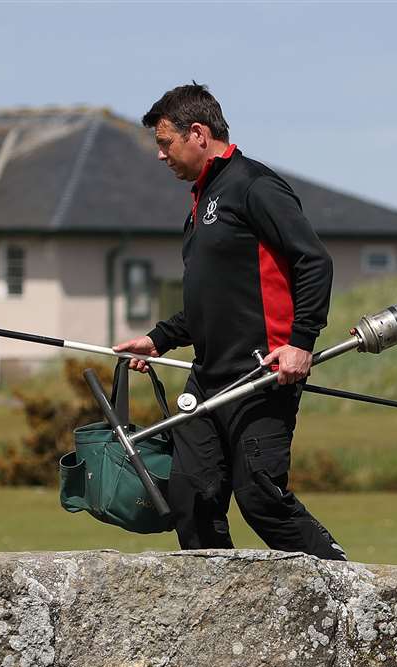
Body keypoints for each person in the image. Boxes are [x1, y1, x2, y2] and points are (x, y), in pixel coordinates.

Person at [114, 83, 346, 561]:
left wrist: (301, 343)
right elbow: (211, 301)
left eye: (165, 143)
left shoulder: (253, 185)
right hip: (207, 380)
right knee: (191, 498)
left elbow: (314, 262)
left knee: (260, 498)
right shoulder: (201, 201)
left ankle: (347, 591)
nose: (161, 156)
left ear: (197, 133)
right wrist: (159, 339)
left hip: (261, 375)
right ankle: (219, 619)